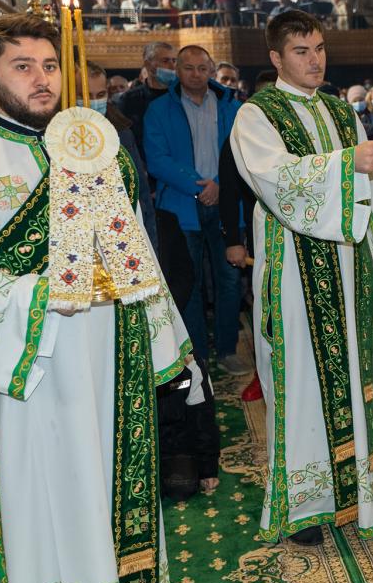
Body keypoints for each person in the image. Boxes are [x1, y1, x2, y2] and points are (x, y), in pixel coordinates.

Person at [0, 14, 190, 583]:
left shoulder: (96, 155)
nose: (42, 80)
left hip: (112, 362)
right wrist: (43, 295)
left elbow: (136, 252)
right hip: (25, 377)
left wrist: (168, 345)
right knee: (44, 504)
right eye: (22, 67)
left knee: (112, 492)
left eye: (51, 66)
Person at [229, 10, 373, 547]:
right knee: (302, 381)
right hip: (294, 269)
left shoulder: (339, 110)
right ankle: (308, 504)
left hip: (351, 267)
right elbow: (274, 180)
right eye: (302, 51)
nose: (316, 59)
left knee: (359, 375)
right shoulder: (255, 115)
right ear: (277, 58)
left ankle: (365, 489)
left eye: (320, 48)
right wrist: (348, 161)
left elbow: (369, 194)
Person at [143, 45, 248, 375]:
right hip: (180, 206)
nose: (195, 74)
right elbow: (157, 159)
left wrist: (218, 184)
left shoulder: (232, 107)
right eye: (188, 68)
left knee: (229, 279)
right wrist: (198, 185)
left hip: (226, 204)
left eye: (202, 68)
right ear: (178, 72)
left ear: (211, 70)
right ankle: (196, 353)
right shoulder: (159, 110)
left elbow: (244, 150)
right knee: (189, 283)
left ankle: (228, 349)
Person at [77, 61, 158, 252]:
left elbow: (141, 193)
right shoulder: (57, 135)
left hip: (123, 236)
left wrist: (150, 245)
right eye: (86, 96)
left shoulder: (121, 131)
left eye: (100, 95)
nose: (94, 102)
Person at [114, 41, 177, 149]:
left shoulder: (181, 96)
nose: (172, 66)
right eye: (165, 61)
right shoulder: (129, 100)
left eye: (174, 60)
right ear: (148, 65)